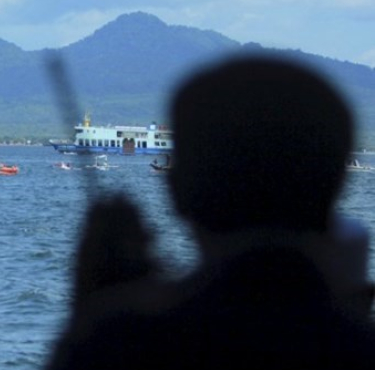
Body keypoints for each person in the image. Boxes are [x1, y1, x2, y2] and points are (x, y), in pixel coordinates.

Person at [44, 54, 375, 370]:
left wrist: (93, 311)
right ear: (340, 181)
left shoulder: (119, 346)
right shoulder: (352, 345)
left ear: (175, 188)